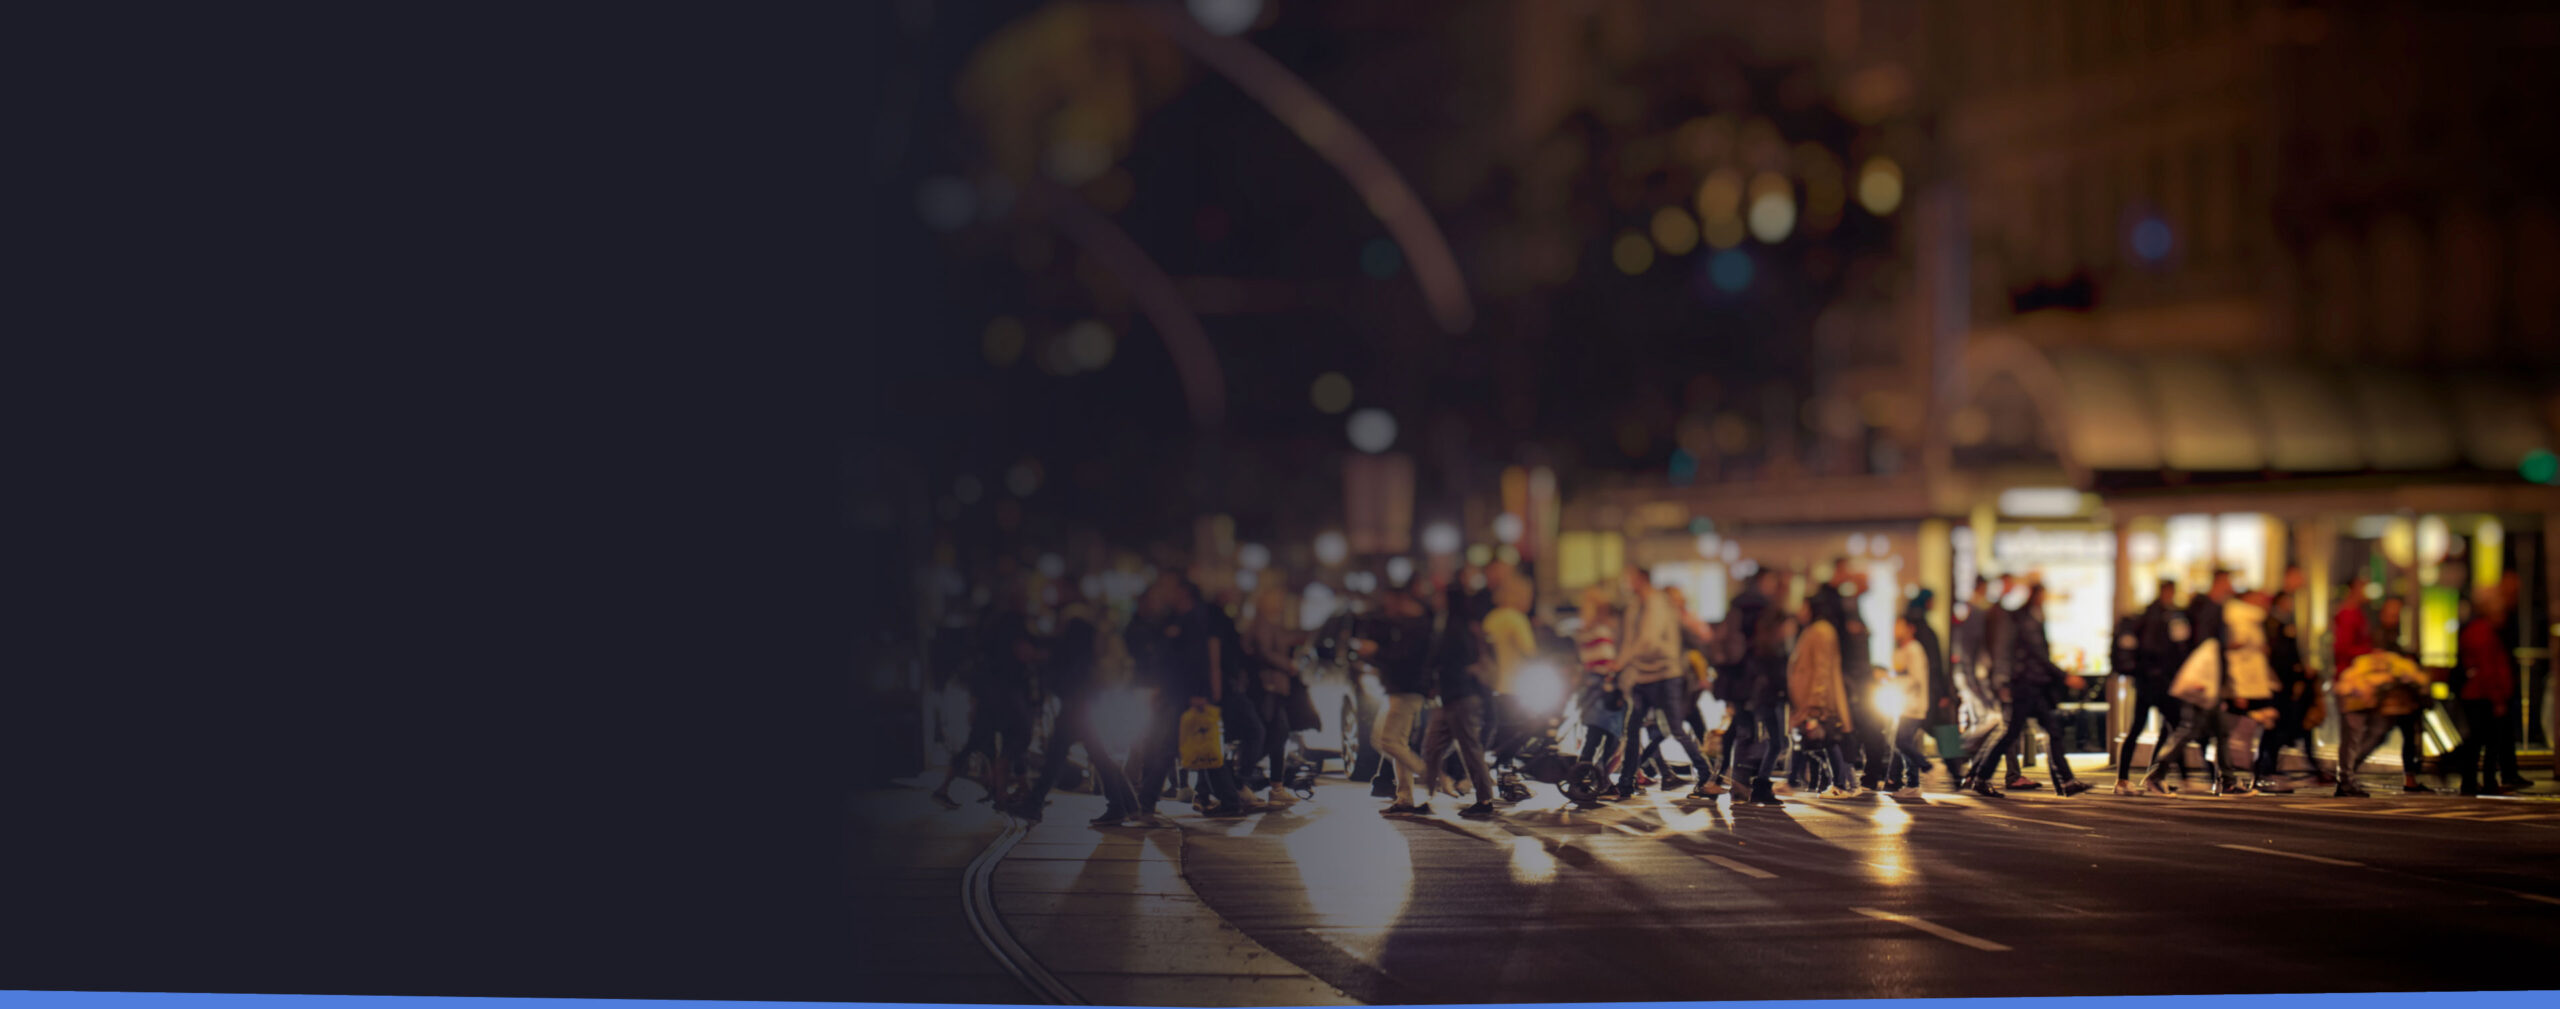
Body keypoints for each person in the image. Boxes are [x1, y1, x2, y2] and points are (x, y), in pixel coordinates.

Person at [1012, 581, 1146, 826]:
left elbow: (1065, 658)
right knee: (1093, 754)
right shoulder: (1083, 623)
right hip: (1082, 699)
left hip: (1077, 699)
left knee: (1060, 754)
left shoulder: (1075, 622)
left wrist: (1045, 655)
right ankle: (1124, 803)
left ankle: (1035, 804)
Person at [1964, 584, 2091, 797]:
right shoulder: (2012, 619)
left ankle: (2065, 781)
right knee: (2001, 731)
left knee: (2030, 730)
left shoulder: (2022, 618)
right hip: (2018, 685)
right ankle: (1962, 764)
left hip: (2026, 684)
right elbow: (2032, 654)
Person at [1613, 566, 1720, 801]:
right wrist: (1625, 668)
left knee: (1675, 728)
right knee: (1632, 730)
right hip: (1642, 675)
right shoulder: (1634, 607)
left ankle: (1705, 775)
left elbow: (1648, 640)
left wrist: (1621, 663)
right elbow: (1631, 639)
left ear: (1641, 579)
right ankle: (1626, 783)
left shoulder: (1658, 604)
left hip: (1665, 674)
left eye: (1630, 580)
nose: (1627, 585)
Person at [933, 596, 1037, 810]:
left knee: (979, 743)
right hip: (1005, 696)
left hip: (991, 696)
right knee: (1015, 739)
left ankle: (951, 788)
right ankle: (1000, 793)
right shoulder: (1013, 627)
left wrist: (976, 699)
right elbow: (1023, 655)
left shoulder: (990, 643)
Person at [1418, 578, 1499, 818]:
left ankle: (1485, 800)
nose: (1436, 600)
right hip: (1451, 698)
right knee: (1432, 747)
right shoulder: (1451, 624)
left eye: (1441, 596)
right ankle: (1427, 796)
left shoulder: (1458, 628)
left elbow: (1450, 659)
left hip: (1462, 698)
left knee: (1470, 749)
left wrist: (1434, 674)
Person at [1358, 583, 1437, 816]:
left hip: (1407, 690)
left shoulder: (1419, 628)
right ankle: (1405, 797)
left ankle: (1430, 775)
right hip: (1398, 690)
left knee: (1388, 741)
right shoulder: (1406, 626)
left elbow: (1402, 659)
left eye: (1397, 602)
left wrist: (1375, 652)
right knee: (1391, 742)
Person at [2332, 615, 2428, 798]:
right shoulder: (2387, 661)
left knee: (2363, 738)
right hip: (2362, 703)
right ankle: (2346, 779)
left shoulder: (2367, 661)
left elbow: (2346, 681)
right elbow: (2419, 678)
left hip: (2362, 702)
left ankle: (2346, 778)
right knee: (2362, 738)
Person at [2115, 579, 2191, 794]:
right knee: (2174, 727)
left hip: (2146, 682)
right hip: (2159, 683)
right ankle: (2157, 775)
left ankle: (2125, 779)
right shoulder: (2165, 616)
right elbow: (2162, 649)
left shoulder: (2146, 614)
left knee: (2140, 729)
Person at [2448, 591, 2523, 796]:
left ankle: (2474, 781)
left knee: (2481, 740)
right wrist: (2498, 698)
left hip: (2477, 693)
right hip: (2481, 695)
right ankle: (2482, 781)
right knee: (2487, 741)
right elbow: (2489, 668)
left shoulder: (2478, 630)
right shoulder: (2483, 633)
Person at [2249, 590, 2325, 792]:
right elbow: (2279, 656)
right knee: (2275, 729)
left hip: (2283, 684)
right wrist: (2296, 672)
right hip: (2277, 684)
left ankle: (2266, 770)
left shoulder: (2281, 623)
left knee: (2278, 728)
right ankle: (2264, 770)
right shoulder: (2271, 625)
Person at [1241, 584, 1307, 806]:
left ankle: (1276, 787)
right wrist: (1287, 664)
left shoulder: (1272, 624)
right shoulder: (1261, 624)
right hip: (1266, 686)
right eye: (1275, 599)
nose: (1279, 603)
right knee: (1272, 734)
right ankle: (1241, 780)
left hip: (1276, 687)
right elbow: (1264, 653)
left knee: (1278, 735)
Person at [1883, 614, 1932, 798]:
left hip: (1914, 704)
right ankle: (1911, 782)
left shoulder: (1914, 649)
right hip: (1904, 704)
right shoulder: (1902, 650)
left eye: (1899, 626)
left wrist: (1894, 683)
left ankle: (1923, 769)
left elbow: (1916, 679)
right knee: (1902, 742)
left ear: (1910, 628)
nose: (1896, 630)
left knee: (1901, 742)